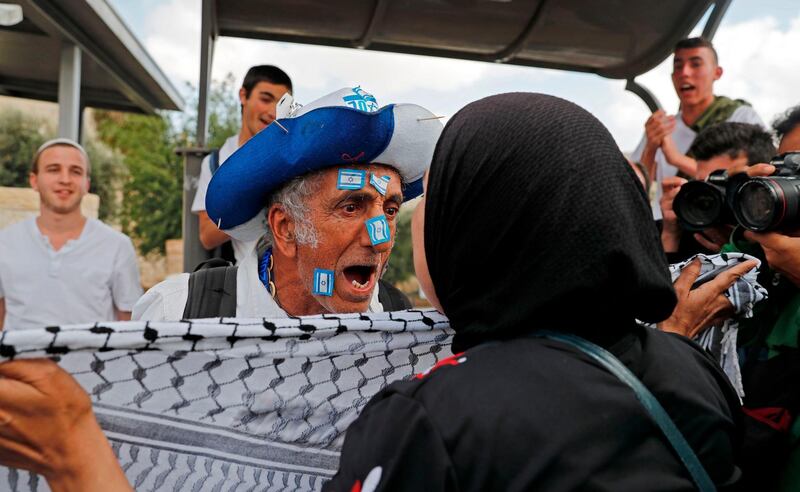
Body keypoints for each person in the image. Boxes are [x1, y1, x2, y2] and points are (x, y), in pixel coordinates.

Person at [325, 93, 753, 491]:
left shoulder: (427, 421)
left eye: (436, 200)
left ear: (479, 228)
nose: (391, 232)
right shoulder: (692, 368)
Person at [133, 87, 442, 320]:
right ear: (286, 228)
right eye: (350, 207)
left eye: (389, 210)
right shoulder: (175, 312)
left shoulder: (397, 317)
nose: (381, 239)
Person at [0, 139, 142, 331]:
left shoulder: (117, 246)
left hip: (92, 361)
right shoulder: (5, 243)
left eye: (75, 171)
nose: (65, 179)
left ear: (87, 184)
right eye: (53, 169)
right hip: (21, 360)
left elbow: (129, 326)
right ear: (34, 180)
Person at [631, 37, 764, 219]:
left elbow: (753, 180)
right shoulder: (661, 127)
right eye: (678, 66)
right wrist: (651, 148)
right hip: (666, 228)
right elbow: (634, 187)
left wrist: (676, 159)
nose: (684, 73)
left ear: (717, 73)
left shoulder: (741, 117)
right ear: (672, 77)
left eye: (696, 64)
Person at [192, 65, 292, 264]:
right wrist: (254, 198)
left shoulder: (296, 155)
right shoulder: (217, 162)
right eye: (265, 99)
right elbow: (207, 236)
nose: (272, 112)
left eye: (281, 104)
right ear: (243, 95)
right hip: (248, 284)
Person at [660, 122, 775, 263]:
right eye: (704, 183)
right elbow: (662, 284)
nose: (711, 195)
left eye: (724, 183)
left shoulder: (782, 236)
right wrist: (670, 235)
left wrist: (742, 249)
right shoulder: (692, 225)